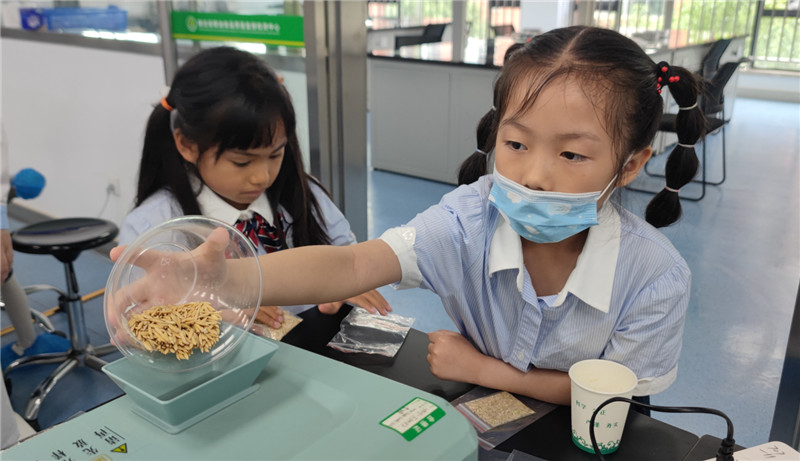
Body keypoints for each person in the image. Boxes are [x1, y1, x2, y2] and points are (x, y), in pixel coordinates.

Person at [112, 26, 703, 406]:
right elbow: (352, 262)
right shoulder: (470, 218)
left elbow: (613, 401)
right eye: (516, 144)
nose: (533, 175)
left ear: (630, 164)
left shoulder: (655, 276)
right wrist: (223, 279)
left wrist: (492, 372)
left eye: (571, 154)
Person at [117, 47, 390, 328]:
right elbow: (143, 321)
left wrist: (342, 285)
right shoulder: (153, 227)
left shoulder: (302, 192)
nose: (262, 177)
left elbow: (344, 254)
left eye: (275, 155)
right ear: (187, 145)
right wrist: (218, 310)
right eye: (241, 162)